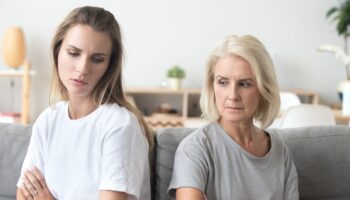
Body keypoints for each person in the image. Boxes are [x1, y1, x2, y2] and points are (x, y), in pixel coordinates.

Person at [16, 6, 153, 200]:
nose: (82, 68)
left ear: (109, 66)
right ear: (58, 51)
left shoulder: (120, 125)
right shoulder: (48, 119)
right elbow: (23, 193)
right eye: (73, 53)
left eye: (97, 59)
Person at [168, 35, 299, 199]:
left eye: (244, 84)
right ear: (212, 86)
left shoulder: (280, 152)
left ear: (263, 89)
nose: (232, 95)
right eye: (223, 82)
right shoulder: (195, 149)